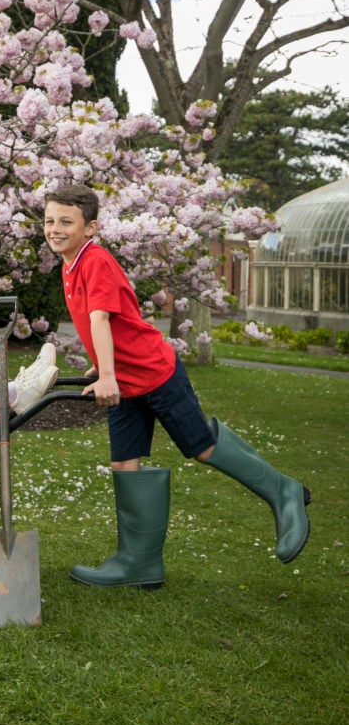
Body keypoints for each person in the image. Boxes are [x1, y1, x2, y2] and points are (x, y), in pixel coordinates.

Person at [43, 183, 311, 590]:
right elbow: (113, 322)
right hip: (126, 382)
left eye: (66, 221)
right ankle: (139, 563)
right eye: (49, 221)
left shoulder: (94, 260)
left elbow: (100, 318)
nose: (55, 229)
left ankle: (283, 491)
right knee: (124, 463)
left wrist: (108, 376)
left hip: (155, 374)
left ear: (91, 227)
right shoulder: (70, 264)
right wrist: (103, 368)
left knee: (202, 447)